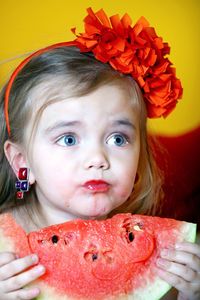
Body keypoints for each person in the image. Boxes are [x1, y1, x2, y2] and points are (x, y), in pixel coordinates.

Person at [0, 7, 199, 300]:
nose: (98, 159)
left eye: (118, 139)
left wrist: (189, 295)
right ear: (21, 162)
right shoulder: (3, 247)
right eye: (68, 139)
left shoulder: (156, 251)